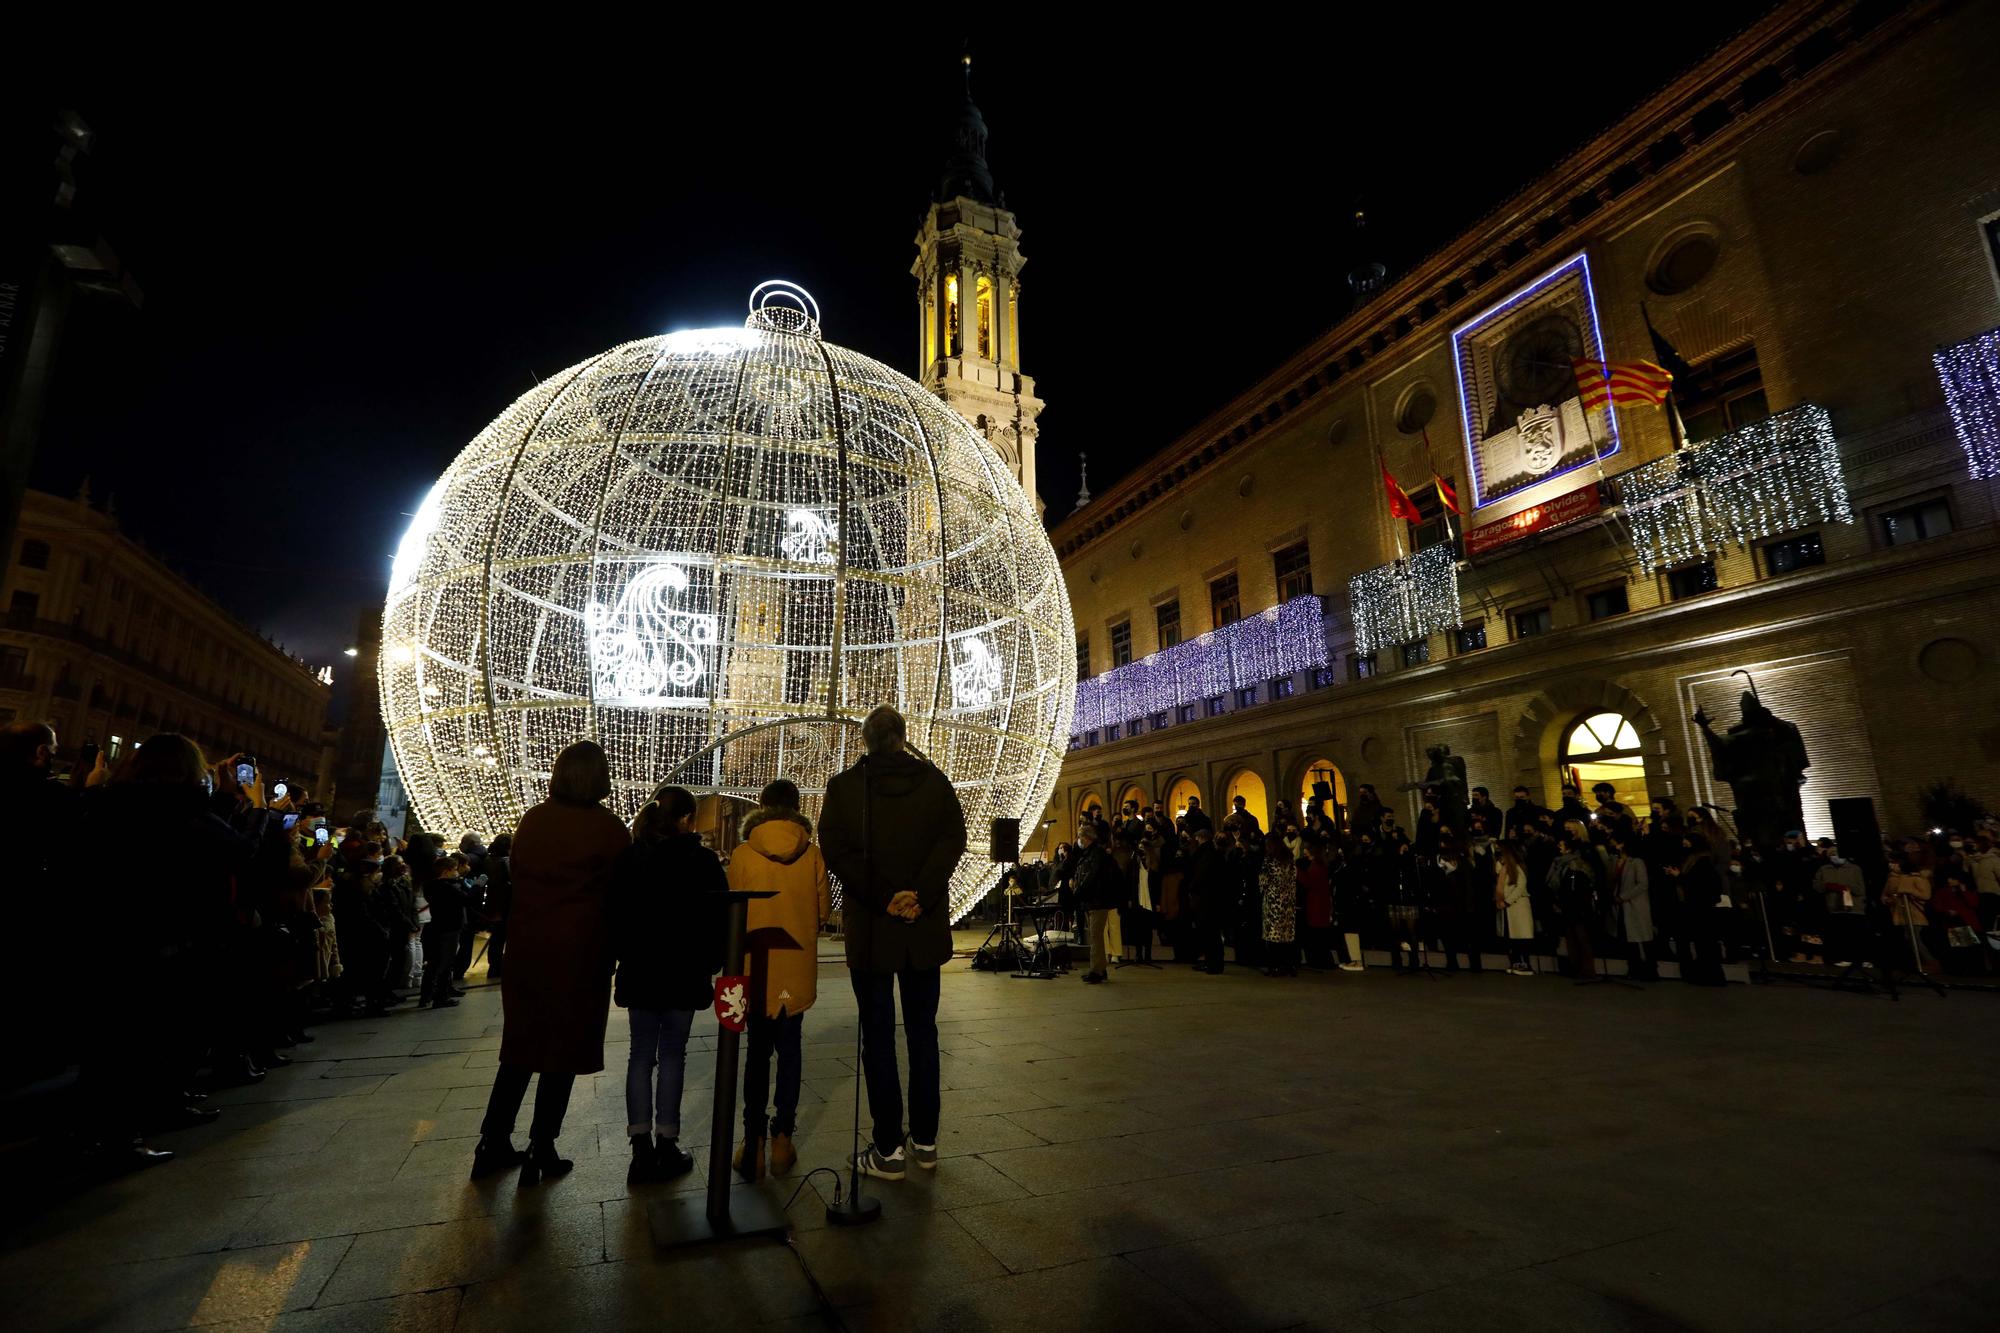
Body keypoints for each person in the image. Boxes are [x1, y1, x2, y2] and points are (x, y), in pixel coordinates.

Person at [472, 740, 631, 1184]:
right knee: (562, 1054)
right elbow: (621, 899)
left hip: (527, 953)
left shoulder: (533, 821)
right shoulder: (611, 830)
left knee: (520, 1049)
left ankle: (492, 1141)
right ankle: (543, 1146)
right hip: (581, 955)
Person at [820, 706, 967, 1181]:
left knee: (878, 1036)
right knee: (923, 1033)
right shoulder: (935, 782)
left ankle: (888, 1149)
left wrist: (886, 898)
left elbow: (837, 852)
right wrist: (919, 894)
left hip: (873, 937)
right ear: (903, 738)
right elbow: (953, 840)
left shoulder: (844, 789)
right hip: (921, 931)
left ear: (866, 740)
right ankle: (925, 1141)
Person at [611, 785, 724, 1184]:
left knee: (640, 1055)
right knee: (673, 1054)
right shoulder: (702, 860)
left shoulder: (630, 857)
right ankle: (667, 1142)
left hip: (640, 970)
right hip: (683, 971)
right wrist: (712, 962)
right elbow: (718, 920)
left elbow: (615, 915)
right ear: (687, 820)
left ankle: (639, 1149)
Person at [731, 778, 831, 1182]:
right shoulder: (812, 854)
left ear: (762, 807)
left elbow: (732, 910)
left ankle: (751, 1142)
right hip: (794, 969)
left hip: (757, 968)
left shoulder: (742, 854)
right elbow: (822, 911)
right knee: (790, 1053)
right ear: (796, 810)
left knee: (756, 1054)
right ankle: (783, 1141)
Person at [1071, 820, 1118, 984]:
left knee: (1096, 936)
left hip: (1098, 900)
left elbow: (1091, 877)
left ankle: (1096, 971)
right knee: (1095, 935)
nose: (1078, 840)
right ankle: (1100, 968)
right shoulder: (1090, 853)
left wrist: (1078, 892)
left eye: (1080, 837)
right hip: (1093, 900)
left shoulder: (1096, 854)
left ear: (1087, 838)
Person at [420, 854, 468, 1009]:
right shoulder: (447, 887)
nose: (457, 872)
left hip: (436, 926)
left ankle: (426, 995)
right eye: (454, 869)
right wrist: (475, 887)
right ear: (446, 871)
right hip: (450, 927)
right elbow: (465, 899)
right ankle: (441, 996)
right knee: (445, 962)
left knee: (433, 963)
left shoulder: (430, 886)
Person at [1607, 828, 1656, 979]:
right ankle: (1634, 967)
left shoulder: (1636, 862)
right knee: (1629, 938)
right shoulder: (1616, 861)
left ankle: (1649, 969)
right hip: (1623, 905)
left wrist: (1623, 896)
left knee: (1642, 936)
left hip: (1635, 904)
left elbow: (1642, 884)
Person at [1259, 831, 1297, 976]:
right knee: (1287, 934)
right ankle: (1288, 965)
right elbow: (1294, 878)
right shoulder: (1289, 859)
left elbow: (1263, 881)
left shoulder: (1269, 860)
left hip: (1273, 901)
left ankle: (1274, 966)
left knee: (1272, 934)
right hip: (1288, 901)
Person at [1495, 840, 1535, 975]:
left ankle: (1524, 963)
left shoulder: (1516, 867)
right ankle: (1515, 962)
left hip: (1517, 907)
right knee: (1511, 937)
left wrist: (1508, 901)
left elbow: (1521, 885)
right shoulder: (1503, 867)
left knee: (1521, 937)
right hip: (1507, 907)